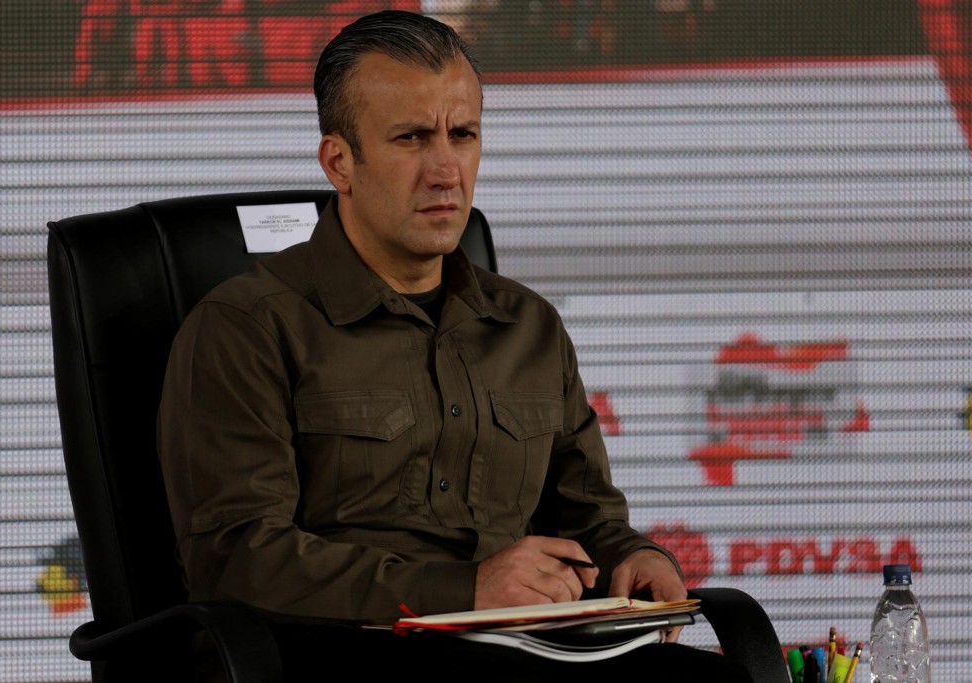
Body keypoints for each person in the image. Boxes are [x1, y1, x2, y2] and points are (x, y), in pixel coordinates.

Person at [156, 10, 748, 682]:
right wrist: (464, 588)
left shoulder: (529, 326)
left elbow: (589, 521)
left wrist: (632, 558)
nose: (445, 169)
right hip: (341, 656)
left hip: (530, 649)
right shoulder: (246, 327)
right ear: (339, 162)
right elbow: (239, 558)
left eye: (462, 134)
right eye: (411, 138)